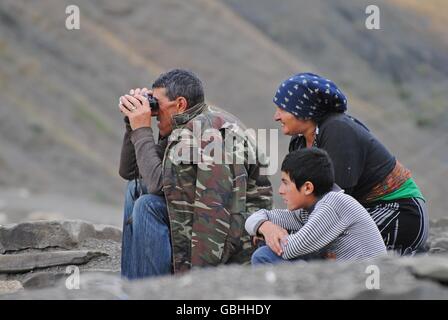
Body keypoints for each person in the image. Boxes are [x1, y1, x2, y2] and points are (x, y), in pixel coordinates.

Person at [118, 69, 272, 279]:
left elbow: (159, 186)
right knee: (135, 189)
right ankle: (130, 286)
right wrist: (132, 124)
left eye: (156, 105)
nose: (152, 112)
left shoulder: (206, 132)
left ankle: (148, 290)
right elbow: (131, 172)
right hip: (205, 215)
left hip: (236, 237)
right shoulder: (186, 125)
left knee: (148, 206)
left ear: (180, 104)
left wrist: (142, 130)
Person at [272, 72, 428, 256]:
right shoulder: (299, 143)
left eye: (282, 109)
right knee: (289, 238)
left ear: (303, 109)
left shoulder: (338, 130)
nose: (276, 116)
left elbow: (334, 204)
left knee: (314, 245)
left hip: (399, 211)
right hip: (358, 211)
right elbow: (305, 201)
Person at [245, 148, 387, 265]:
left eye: (286, 183)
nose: (280, 190)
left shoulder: (333, 204)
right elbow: (254, 218)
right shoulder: (307, 210)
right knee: (266, 243)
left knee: (264, 255)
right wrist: (265, 227)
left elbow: (289, 249)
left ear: (307, 187)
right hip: (346, 280)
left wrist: (266, 234)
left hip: (368, 285)